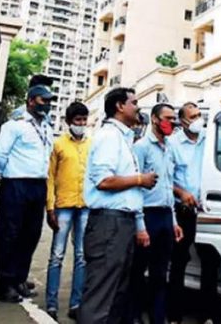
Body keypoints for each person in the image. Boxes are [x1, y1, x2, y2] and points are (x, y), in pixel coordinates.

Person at [78, 88, 157, 324]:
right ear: (120, 106)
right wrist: (140, 179)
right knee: (102, 292)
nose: (138, 107)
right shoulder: (109, 137)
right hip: (108, 224)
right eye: (134, 103)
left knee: (116, 294)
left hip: (122, 223)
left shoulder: (124, 138)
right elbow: (103, 180)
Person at [0, 85, 56, 302]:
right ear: (30, 100)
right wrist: (9, 175)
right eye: (42, 100)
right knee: (9, 233)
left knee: (31, 234)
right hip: (16, 184)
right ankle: (4, 283)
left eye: (48, 100)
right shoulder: (14, 126)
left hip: (38, 185)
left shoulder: (46, 127)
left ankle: (19, 278)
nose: (46, 104)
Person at [127, 104, 184, 324]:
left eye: (173, 119)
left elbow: (168, 186)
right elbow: (135, 187)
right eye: (167, 118)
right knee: (138, 270)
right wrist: (140, 225)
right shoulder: (141, 147)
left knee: (161, 275)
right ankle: (132, 316)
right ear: (154, 119)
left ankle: (157, 318)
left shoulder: (170, 148)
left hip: (165, 216)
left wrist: (174, 221)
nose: (171, 123)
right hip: (147, 215)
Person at [168, 102, 219, 324]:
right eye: (193, 116)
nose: (198, 120)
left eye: (200, 115)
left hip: (208, 209)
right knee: (179, 262)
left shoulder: (210, 139)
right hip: (183, 210)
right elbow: (164, 178)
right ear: (182, 121)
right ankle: (174, 316)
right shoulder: (172, 144)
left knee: (210, 261)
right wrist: (181, 193)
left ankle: (207, 314)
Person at [44, 102, 92, 320]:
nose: (81, 124)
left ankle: (76, 304)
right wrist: (50, 206)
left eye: (84, 120)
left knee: (82, 257)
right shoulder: (58, 145)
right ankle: (51, 304)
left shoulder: (92, 144)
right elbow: (51, 177)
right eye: (77, 121)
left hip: (85, 206)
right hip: (63, 206)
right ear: (68, 122)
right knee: (57, 256)